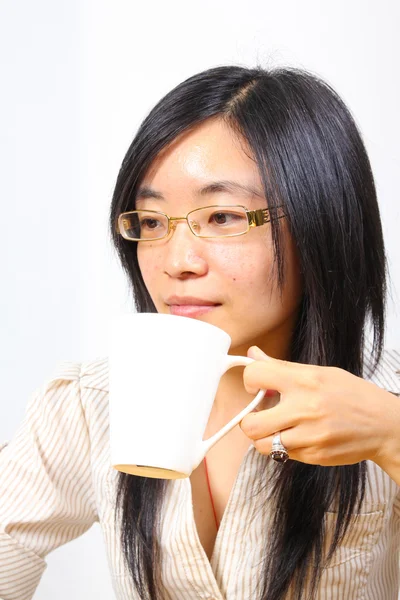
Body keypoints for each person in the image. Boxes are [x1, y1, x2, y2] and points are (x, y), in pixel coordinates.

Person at [1, 64, 400, 600]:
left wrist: (389, 434)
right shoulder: (89, 404)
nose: (176, 261)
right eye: (150, 221)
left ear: (318, 220)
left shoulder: (385, 400)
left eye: (223, 217)